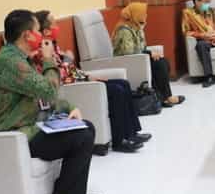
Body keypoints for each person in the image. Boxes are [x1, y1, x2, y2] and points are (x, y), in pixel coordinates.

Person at [0, 10, 101, 194]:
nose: (40, 35)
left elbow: (42, 97)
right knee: (81, 137)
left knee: (86, 127)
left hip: (27, 128)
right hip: (11, 136)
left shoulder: (18, 58)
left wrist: (68, 107)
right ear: (27, 35)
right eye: (37, 31)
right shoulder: (10, 62)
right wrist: (48, 60)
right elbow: (48, 90)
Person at [33, 10, 149, 154]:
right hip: (71, 87)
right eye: (54, 24)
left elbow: (70, 69)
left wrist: (87, 76)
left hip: (78, 80)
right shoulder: (42, 52)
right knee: (116, 91)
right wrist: (68, 61)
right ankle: (120, 141)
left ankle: (132, 133)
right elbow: (58, 75)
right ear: (46, 31)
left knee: (123, 84)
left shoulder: (52, 45)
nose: (58, 27)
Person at [112, 2, 185, 107]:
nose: (145, 15)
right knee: (159, 64)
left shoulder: (136, 26)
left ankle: (160, 97)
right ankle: (166, 98)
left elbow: (142, 47)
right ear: (136, 14)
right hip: (127, 62)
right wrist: (149, 53)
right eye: (143, 13)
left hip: (138, 59)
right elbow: (128, 52)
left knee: (163, 62)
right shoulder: (124, 30)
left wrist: (150, 53)